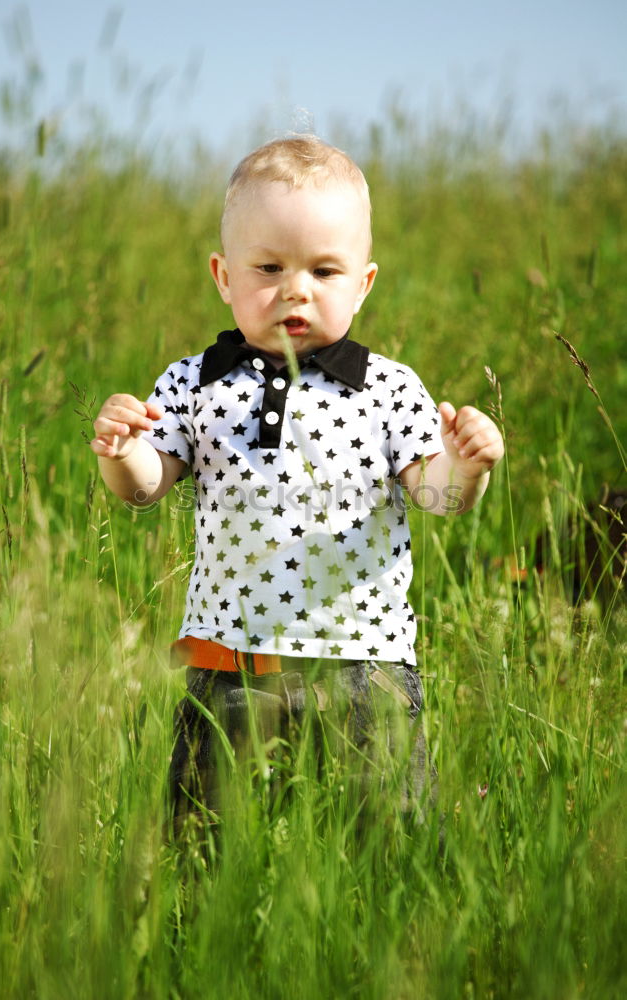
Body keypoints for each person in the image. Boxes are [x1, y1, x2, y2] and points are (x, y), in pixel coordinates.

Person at [91, 135, 504, 828]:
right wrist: (121, 448)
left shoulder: (388, 388)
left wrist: (466, 464)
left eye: (323, 270)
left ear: (363, 283)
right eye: (270, 267)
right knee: (207, 843)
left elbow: (440, 499)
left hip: (362, 668)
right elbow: (144, 488)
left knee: (382, 844)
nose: (295, 289)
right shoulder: (196, 382)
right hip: (230, 666)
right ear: (223, 276)